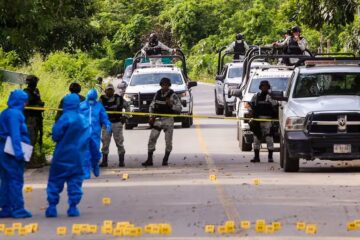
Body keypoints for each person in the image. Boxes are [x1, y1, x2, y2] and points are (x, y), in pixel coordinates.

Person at [45, 94, 90, 218]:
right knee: (75, 182)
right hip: (77, 158)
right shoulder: (84, 120)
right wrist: (95, 159)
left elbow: (55, 135)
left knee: (55, 180)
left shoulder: (64, 118)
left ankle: (52, 207)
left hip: (61, 155)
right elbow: (90, 141)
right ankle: (73, 207)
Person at [0, 90, 32, 218]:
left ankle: (6, 207)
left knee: (6, 180)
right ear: (20, 101)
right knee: (15, 180)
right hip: (12, 151)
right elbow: (15, 134)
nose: (25, 104)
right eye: (24, 101)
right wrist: (19, 152)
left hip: (3, 149)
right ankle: (18, 209)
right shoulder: (15, 114)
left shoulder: (5, 112)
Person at [142, 78, 182, 167]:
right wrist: (151, 116)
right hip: (157, 119)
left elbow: (179, 108)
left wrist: (171, 105)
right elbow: (152, 105)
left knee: (168, 141)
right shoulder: (157, 93)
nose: (164, 86)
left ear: (169, 85)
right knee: (152, 138)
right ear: (161, 85)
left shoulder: (173, 95)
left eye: (166, 84)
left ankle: (165, 159)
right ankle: (149, 159)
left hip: (168, 119)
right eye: (163, 84)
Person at [80, 89, 111, 179]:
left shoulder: (99, 106)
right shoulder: (81, 106)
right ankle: (86, 171)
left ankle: (95, 165)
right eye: (90, 99)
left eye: (92, 99)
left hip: (95, 133)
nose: (91, 101)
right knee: (85, 152)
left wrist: (107, 123)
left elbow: (104, 117)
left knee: (95, 152)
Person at [249, 80, 278, 163]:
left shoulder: (271, 97)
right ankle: (256, 157)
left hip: (268, 120)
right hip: (258, 120)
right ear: (260, 87)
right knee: (256, 139)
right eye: (263, 86)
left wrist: (271, 101)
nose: (264, 88)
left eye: (266, 86)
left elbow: (276, 106)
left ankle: (270, 157)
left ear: (268, 87)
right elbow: (251, 107)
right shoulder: (256, 96)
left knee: (269, 138)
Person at [99, 84, 127, 167]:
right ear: (105, 91)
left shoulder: (119, 98)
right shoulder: (101, 99)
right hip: (106, 123)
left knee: (119, 143)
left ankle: (121, 161)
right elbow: (96, 109)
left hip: (117, 123)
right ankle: (104, 161)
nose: (110, 91)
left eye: (111, 90)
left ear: (114, 91)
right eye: (108, 90)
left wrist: (125, 117)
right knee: (105, 142)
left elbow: (127, 106)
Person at [23, 75, 45, 167]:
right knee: (30, 139)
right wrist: (38, 106)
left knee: (34, 139)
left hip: (36, 118)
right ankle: (28, 162)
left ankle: (31, 159)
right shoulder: (26, 93)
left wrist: (40, 105)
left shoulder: (35, 91)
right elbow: (26, 106)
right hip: (30, 118)